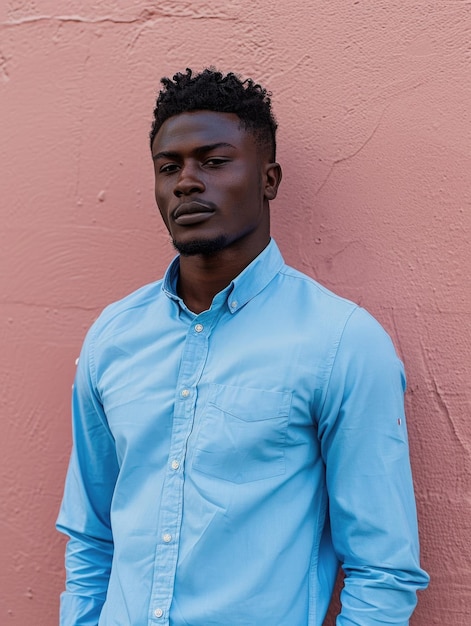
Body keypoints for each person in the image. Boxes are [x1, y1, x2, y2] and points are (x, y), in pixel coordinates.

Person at [57, 68, 429, 625]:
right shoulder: (114, 337)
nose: (185, 182)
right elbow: (92, 536)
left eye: (213, 161)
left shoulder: (342, 343)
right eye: (168, 167)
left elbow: (383, 571)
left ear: (269, 179)